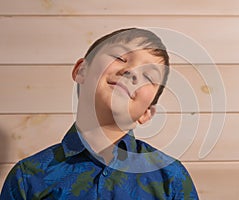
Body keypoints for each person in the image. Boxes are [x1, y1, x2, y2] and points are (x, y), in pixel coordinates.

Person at [0, 28, 199, 199]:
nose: (132, 72)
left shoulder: (171, 178)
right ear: (81, 71)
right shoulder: (28, 177)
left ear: (146, 113)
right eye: (120, 58)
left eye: (148, 75)